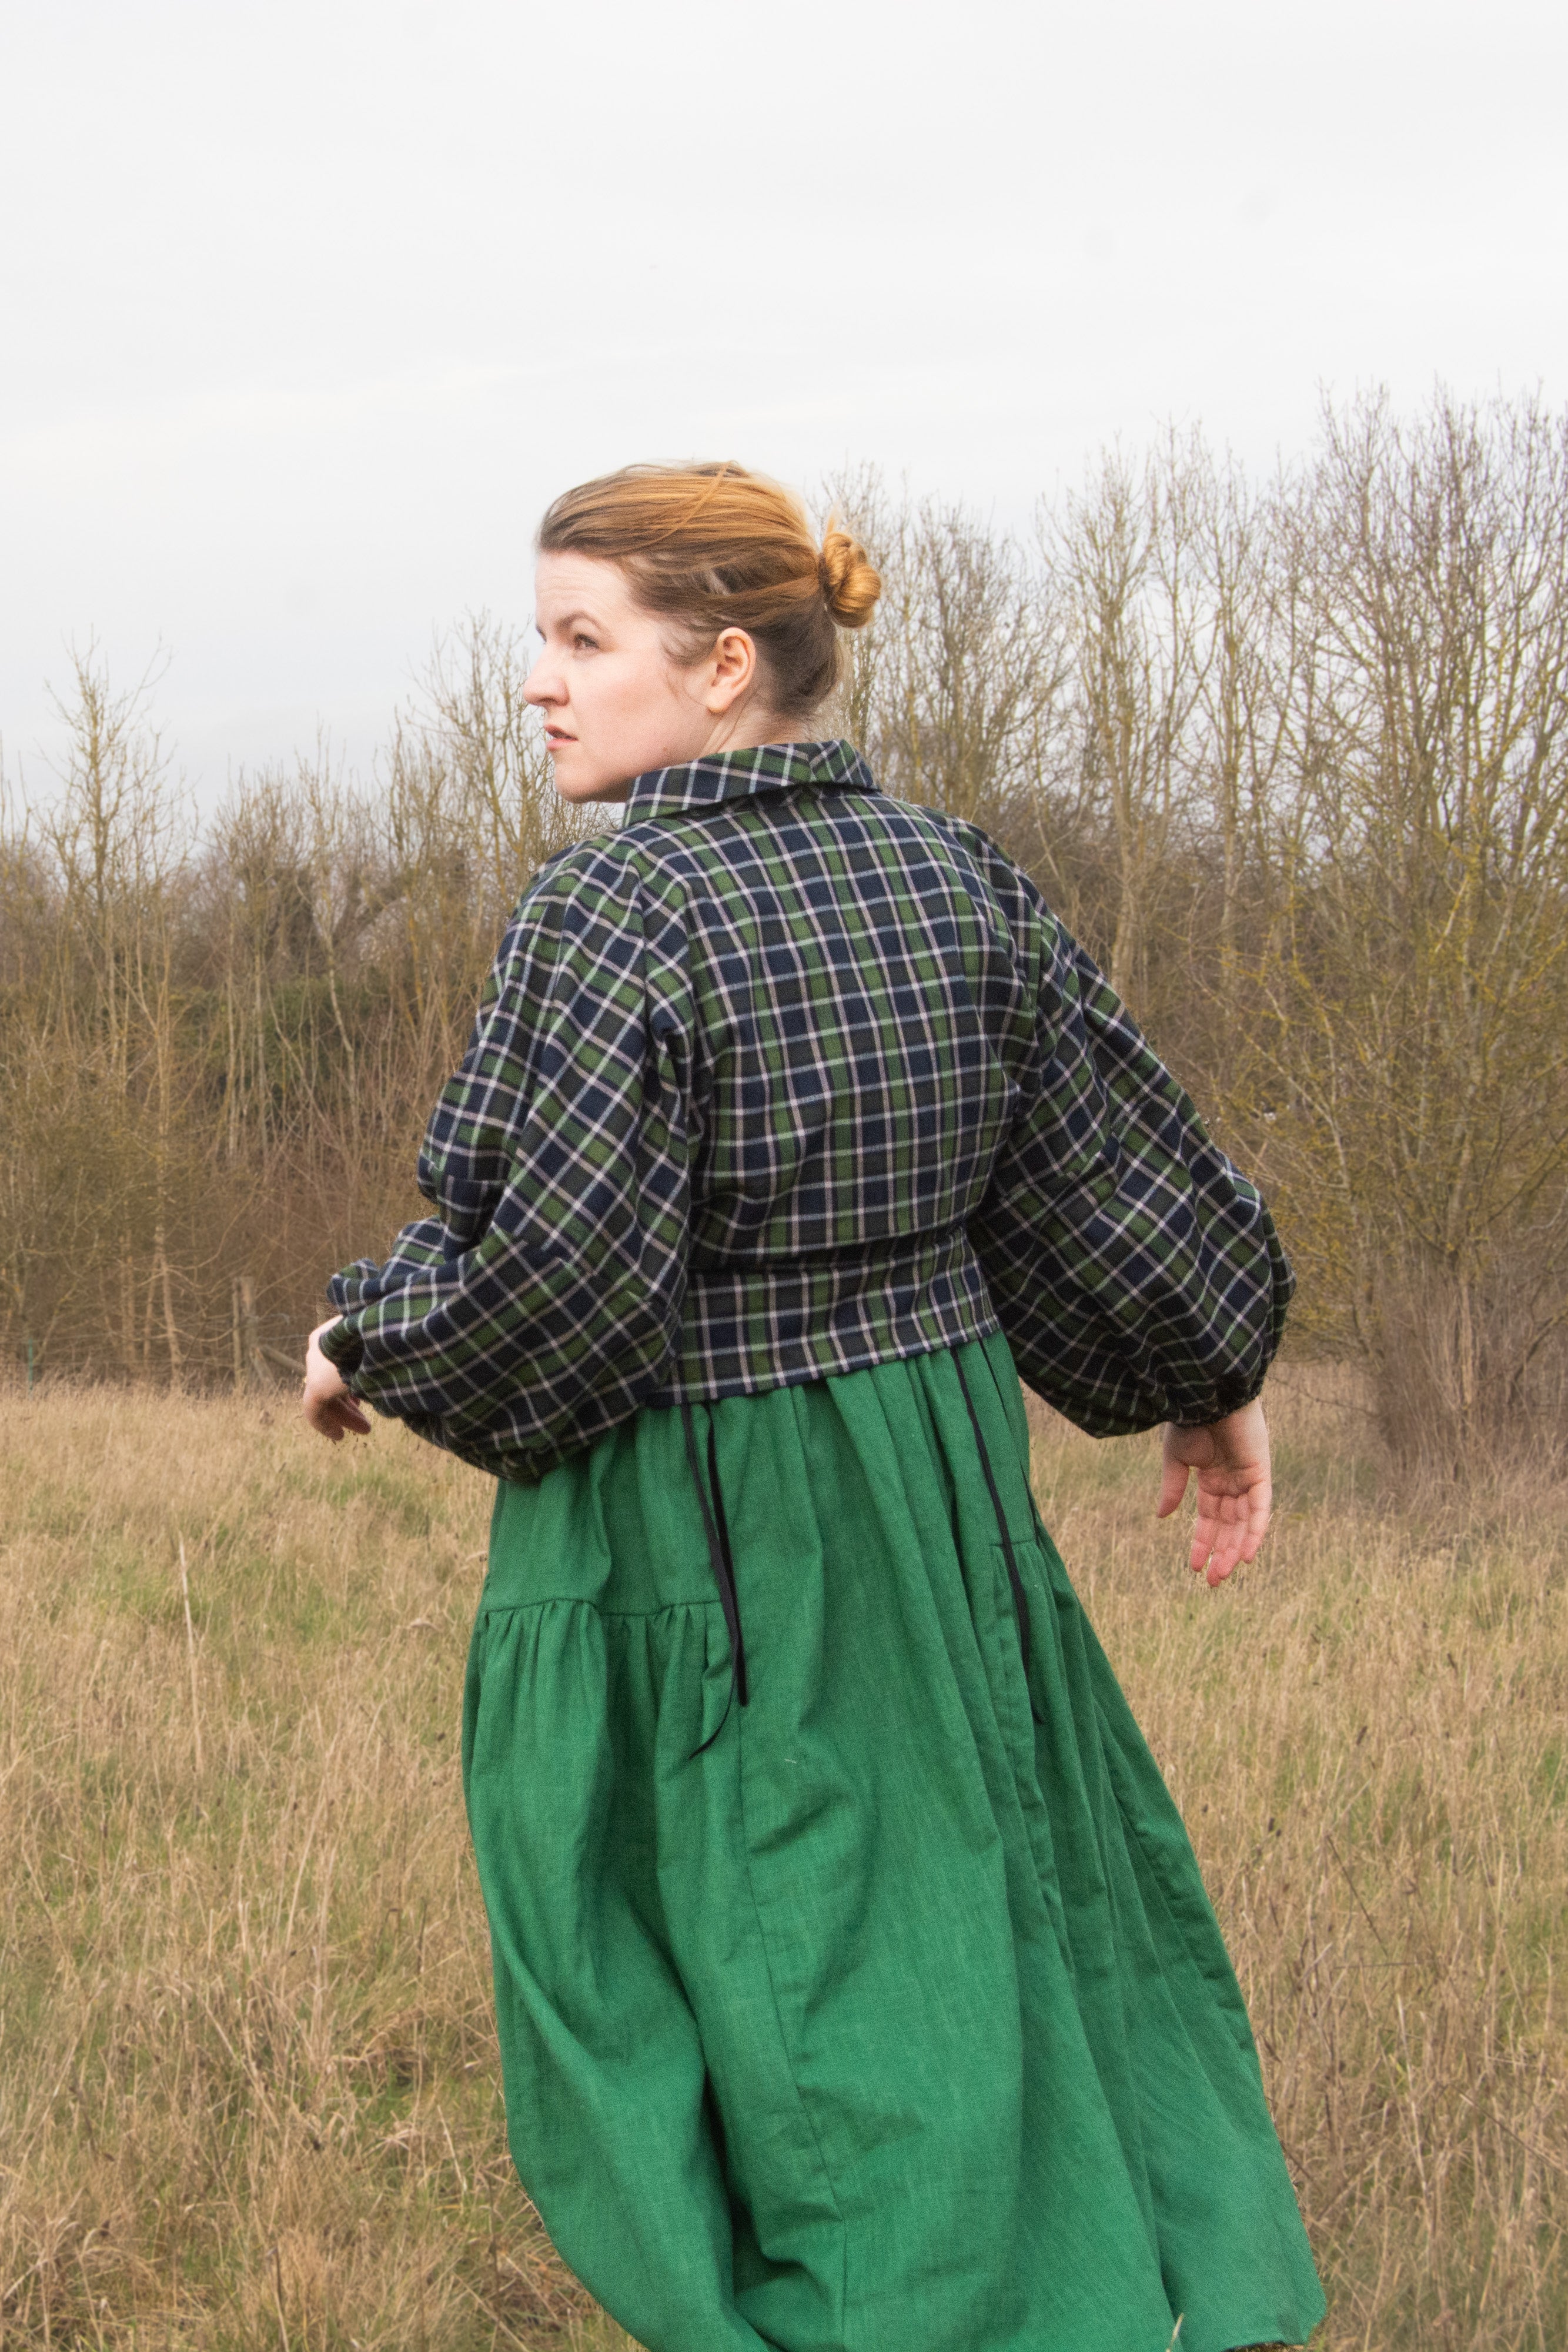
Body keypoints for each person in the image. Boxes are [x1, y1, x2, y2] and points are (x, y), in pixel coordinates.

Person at [302, 462, 1325, 2352]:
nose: (535, 681)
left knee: (757, 1990)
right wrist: (1208, 1384)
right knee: (965, 1937)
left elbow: (561, 1303)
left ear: (716, 668)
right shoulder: (955, 874)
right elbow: (1104, 1176)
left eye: (579, 639)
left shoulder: (616, 913)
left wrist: (366, 1333)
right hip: (935, 1494)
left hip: (721, 1523)